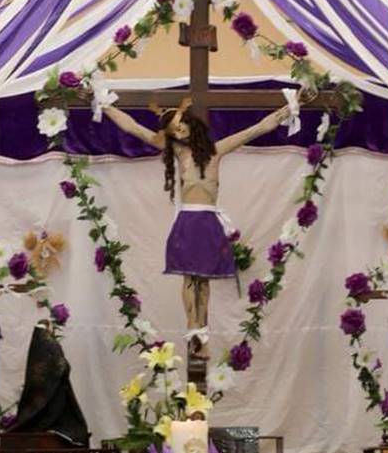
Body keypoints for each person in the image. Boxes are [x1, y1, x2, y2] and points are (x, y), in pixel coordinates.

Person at [102, 100, 290, 358]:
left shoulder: (216, 151)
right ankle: (194, 331)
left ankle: (202, 331)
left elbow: (257, 129)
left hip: (209, 222)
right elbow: (134, 128)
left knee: (203, 281)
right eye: (174, 132)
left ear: (190, 123)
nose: (179, 134)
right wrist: (105, 105)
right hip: (187, 222)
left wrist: (290, 108)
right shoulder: (179, 154)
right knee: (190, 277)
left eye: (181, 128)